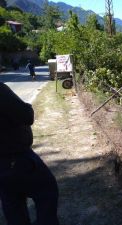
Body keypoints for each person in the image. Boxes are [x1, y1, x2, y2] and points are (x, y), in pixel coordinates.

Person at [0, 82, 59, 225]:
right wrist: (28, 107)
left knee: (12, 204)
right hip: (16, 157)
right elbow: (26, 116)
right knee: (47, 191)